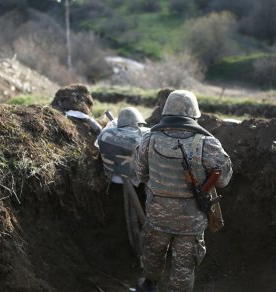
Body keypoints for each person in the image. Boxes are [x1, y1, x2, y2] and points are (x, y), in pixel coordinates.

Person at [134, 90, 233, 292]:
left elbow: (141, 175)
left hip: (157, 215)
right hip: (191, 220)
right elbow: (223, 180)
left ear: (166, 112)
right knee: (184, 266)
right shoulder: (208, 143)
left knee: (153, 252)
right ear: (194, 114)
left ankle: (149, 285)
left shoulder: (148, 139)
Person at [96, 107, 149, 255]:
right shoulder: (143, 135)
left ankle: (138, 244)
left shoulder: (106, 133)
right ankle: (141, 248)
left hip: (114, 176)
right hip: (134, 177)